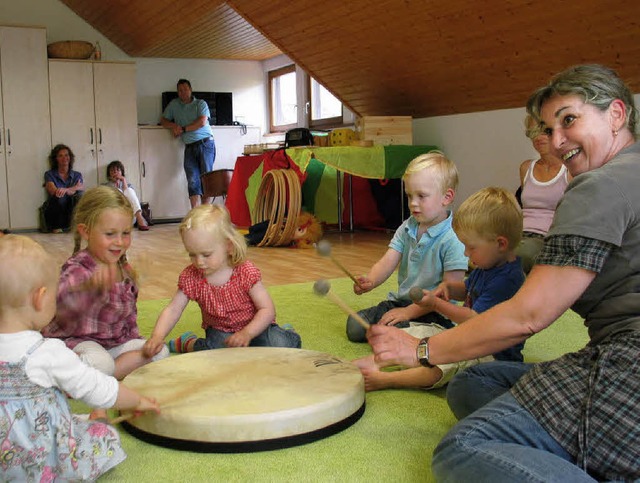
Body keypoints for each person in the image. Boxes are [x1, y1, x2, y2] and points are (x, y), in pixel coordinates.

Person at [367, 64, 640, 481]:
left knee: (462, 448)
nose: (557, 140)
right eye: (549, 129)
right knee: (474, 382)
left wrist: (418, 351)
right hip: (609, 356)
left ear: (617, 114)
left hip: (627, 374)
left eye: (569, 119)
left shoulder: (600, 186)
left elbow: (527, 316)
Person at [0, 234, 159, 481]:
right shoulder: (46, 351)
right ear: (39, 298)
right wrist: (137, 402)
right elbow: (98, 388)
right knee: (102, 438)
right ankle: (96, 424)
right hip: (37, 460)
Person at [353, 187, 525, 391]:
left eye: (471, 247)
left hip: (491, 355)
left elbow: (474, 319)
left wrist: (437, 304)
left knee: (445, 361)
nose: (466, 253)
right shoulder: (489, 264)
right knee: (417, 335)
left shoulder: (507, 280)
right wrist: (450, 288)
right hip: (467, 338)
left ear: (500, 244)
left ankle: (388, 380)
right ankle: (376, 362)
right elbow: (467, 290)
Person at [42, 186, 169, 384]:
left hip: (114, 345)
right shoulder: (78, 267)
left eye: (125, 232)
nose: (119, 242)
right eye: (110, 234)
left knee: (160, 352)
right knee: (101, 364)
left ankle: (90, 380)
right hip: (76, 343)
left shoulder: (123, 268)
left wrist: (139, 340)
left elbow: (129, 317)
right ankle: (79, 377)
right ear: (86, 231)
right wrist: (91, 288)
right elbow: (57, 307)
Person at [143, 204, 301, 356]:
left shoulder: (244, 271)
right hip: (221, 331)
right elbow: (173, 309)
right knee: (216, 353)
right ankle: (189, 342)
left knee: (278, 346)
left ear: (228, 247)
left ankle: (285, 332)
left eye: (206, 254)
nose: (199, 262)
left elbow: (267, 310)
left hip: (256, 327)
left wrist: (247, 333)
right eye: (192, 254)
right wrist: (157, 336)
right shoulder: (191, 276)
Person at [345, 152, 468, 343]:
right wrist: (371, 280)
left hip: (435, 312)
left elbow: (447, 293)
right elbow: (388, 260)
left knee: (394, 335)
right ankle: (393, 333)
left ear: (447, 197)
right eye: (410, 196)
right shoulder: (407, 226)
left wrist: (408, 312)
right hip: (400, 302)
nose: (413, 203)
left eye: (421, 196)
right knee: (354, 326)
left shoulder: (454, 239)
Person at [515, 114, 571, 273]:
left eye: (544, 131)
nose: (538, 137)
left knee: (518, 256)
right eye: (532, 132)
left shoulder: (569, 170)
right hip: (519, 233)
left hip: (547, 237)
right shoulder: (526, 168)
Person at [160, 79, 216, 208]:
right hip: (189, 147)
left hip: (205, 144)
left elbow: (202, 122)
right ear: (177, 92)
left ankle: (205, 214)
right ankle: (195, 214)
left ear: (190, 90)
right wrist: (174, 125)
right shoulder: (174, 104)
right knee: (192, 180)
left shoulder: (200, 104)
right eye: (180, 90)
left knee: (206, 179)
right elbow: (163, 120)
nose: (183, 92)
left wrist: (183, 129)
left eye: (185, 89)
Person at [43, 143, 84, 233]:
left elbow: (80, 188)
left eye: (66, 155)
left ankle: (75, 226)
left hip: (71, 206)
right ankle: (58, 227)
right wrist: (73, 189)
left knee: (80, 196)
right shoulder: (49, 174)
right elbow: (53, 190)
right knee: (59, 197)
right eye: (60, 156)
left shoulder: (77, 175)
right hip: (56, 208)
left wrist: (66, 190)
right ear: (56, 159)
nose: (64, 158)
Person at [104, 160, 150, 231]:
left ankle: (140, 219)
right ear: (109, 174)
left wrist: (123, 180)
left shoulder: (128, 185)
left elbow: (130, 196)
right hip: (114, 217)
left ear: (122, 172)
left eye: (118, 170)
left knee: (129, 190)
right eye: (113, 170)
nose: (115, 172)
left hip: (130, 218)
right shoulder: (105, 186)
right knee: (118, 191)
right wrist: (114, 184)